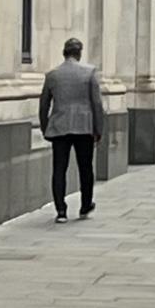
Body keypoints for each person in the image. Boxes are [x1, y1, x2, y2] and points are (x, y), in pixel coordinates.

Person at [38, 37, 103, 224]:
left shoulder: (52, 75)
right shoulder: (89, 73)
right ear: (79, 53)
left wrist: (45, 127)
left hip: (60, 126)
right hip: (84, 126)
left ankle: (60, 210)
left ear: (64, 53)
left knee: (59, 168)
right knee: (86, 168)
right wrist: (98, 129)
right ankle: (85, 205)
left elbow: (43, 105)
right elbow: (96, 104)